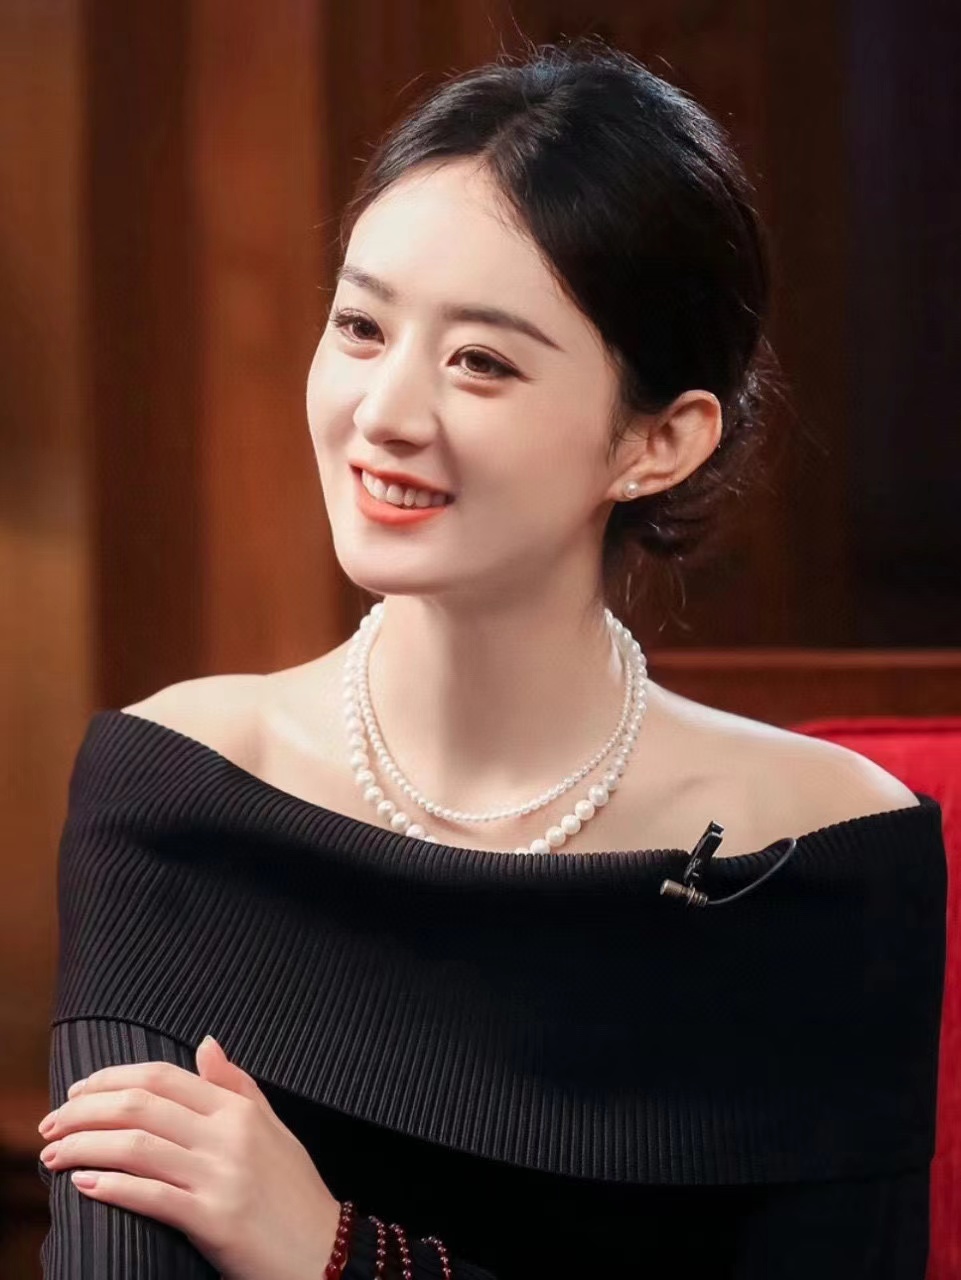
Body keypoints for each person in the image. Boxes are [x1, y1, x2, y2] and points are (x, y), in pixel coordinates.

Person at [37, 38, 946, 1278]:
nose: (383, 413)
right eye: (361, 326)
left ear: (659, 441)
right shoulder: (173, 796)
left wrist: (334, 1251)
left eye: (481, 360)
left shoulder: (826, 862)